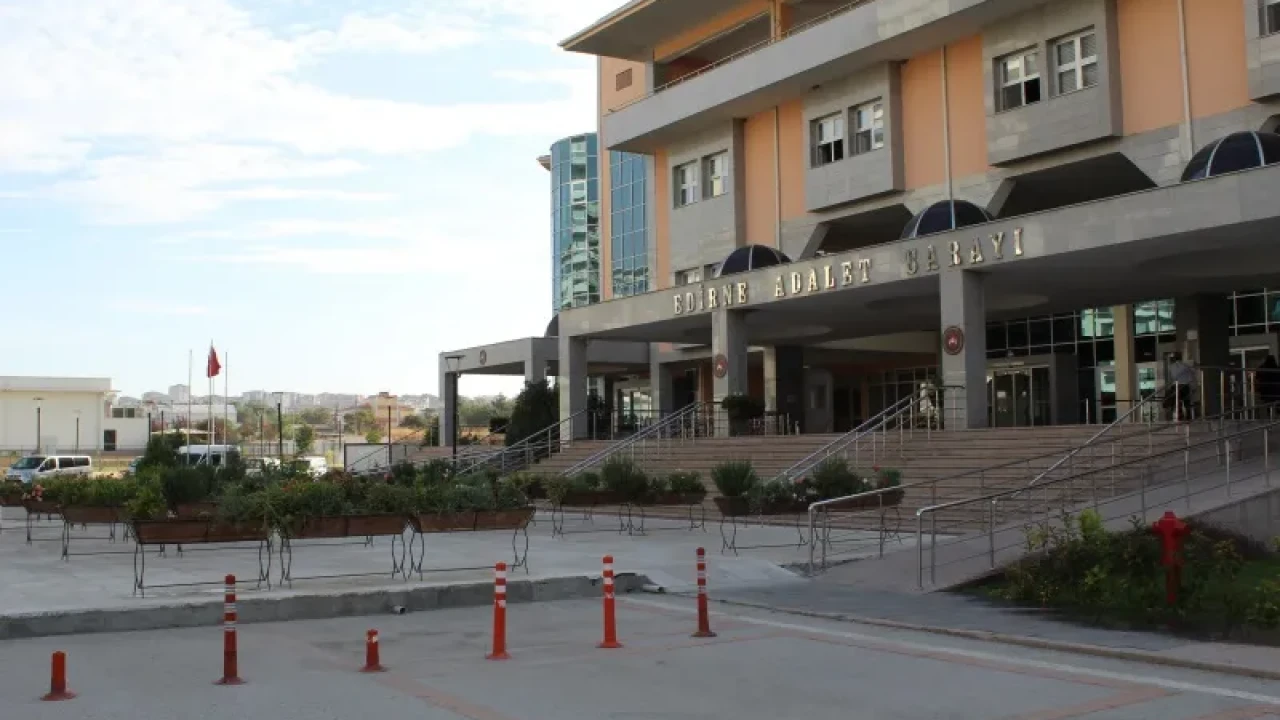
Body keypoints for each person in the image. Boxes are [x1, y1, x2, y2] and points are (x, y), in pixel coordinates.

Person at [1167, 354, 1197, 421]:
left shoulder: (1171, 367)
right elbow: (1191, 376)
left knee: (1177, 401)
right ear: (1181, 358)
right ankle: (1188, 417)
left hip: (1175, 386)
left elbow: (1171, 378)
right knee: (1187, 402)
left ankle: (1179, 416)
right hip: (1185, 385)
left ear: (1174, 359)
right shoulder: (1185, 365)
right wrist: (1193, 386)